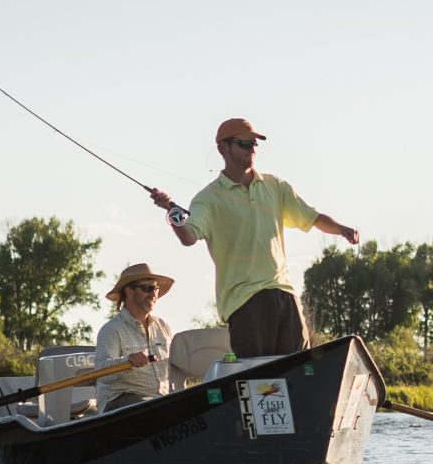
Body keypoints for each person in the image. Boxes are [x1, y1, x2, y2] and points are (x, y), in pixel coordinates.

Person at [149, 117, 360, 357]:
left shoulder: (275, 186)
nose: (253, 149)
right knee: (259, 381)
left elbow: (311, 217)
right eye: (245, 144)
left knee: (300, 370)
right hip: (245, 300)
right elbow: (189, 237)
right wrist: (172, 212)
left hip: (284, 293)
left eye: (255, 144)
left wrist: (342, 229)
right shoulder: (207, 198)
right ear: (223, 148)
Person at [92, 263, 174, 410]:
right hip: (119, 400)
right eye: (147, 288)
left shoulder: (164, 327)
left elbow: (176, 366)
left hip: (158, 402)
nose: (153, 294)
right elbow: (101, 373)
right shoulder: (111, 330)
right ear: (129, 291)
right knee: (151, 409)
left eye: (155, 289)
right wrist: (127, 361)